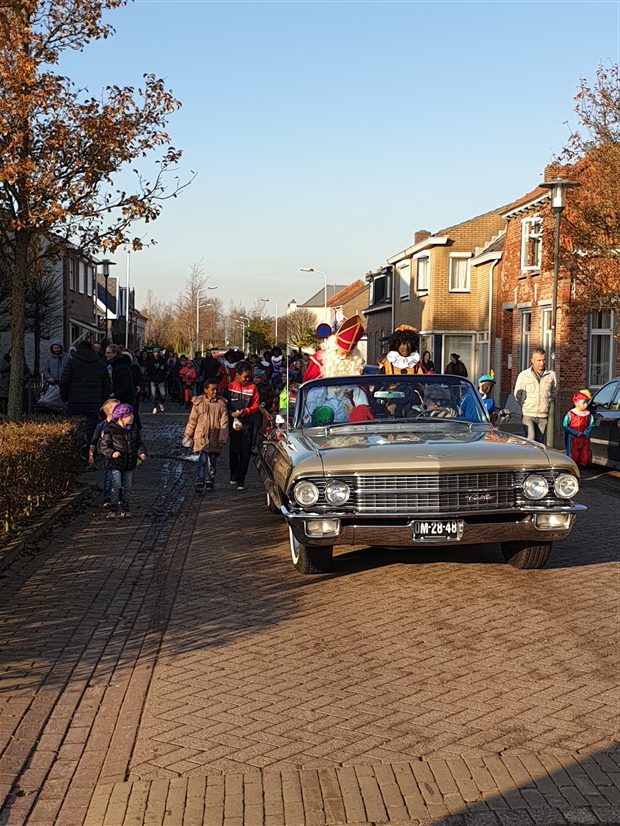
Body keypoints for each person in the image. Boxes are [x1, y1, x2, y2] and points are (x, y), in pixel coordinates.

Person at [99, 403, 147, 518]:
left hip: (129, 463)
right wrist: (112, 453)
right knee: (116, 485)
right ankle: (113, 508)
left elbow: (139, 443)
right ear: (121, 417)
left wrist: (141, 452)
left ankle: (125, 509)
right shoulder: (110, 429)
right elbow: (104, 447)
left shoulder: (133, 429)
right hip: (115, 463)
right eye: (129, 415)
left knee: (127, 486)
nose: (132, 417)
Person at [60, 340, 111, 446]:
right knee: (92, 430)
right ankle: (90, 451)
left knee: (74, 428)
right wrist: (103, 399)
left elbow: (64, 382)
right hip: (93, 401)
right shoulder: (99, 364)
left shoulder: (72, 363)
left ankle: (75, 449)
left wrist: (64, 397)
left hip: (75, 401)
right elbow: (107, 384)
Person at [182, 379, 229, 493]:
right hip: (201, 437)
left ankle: (210, 479)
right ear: (206, 390)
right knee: (202, 460)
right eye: (212, 389)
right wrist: (188, 434)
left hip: (215, 437)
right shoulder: (198, 403)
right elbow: (192, 420)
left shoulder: (221, 404)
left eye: (216, 389)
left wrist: (222, 439)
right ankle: (200, 479)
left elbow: (224, 423)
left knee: (212, 461)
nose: (215, 392)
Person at [225, 360, 260, 491]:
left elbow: (256, 405)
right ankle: (233, 473)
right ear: (237, 375)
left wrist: (244, 412)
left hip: (247, 423)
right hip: (233, 423)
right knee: (234, 451)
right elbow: (224, 404)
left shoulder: (253, 387)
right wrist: (231, 413)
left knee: (245, 452)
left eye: (249, 377)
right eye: (245, 377)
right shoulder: (229, 387)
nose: (247, 379)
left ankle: (241, 479)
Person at [514, 348, 557, 443]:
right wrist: (524, 404)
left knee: (539, 442)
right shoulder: (524, 375)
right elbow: (517, 394)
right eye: (539, 360)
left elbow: (554, 392)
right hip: (528, 414)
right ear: (532, 360)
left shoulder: (551, 375)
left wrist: (547, 402)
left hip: (543, 415)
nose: (542, 363)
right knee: (531, 438)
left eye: (544, 360)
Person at [88, 398, 120, 508]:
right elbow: (94, 440)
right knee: (108, 476)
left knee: (118, 477)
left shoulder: (120, 424)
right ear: (109, 411)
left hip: (118, 455)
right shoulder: (101, 425)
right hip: (105, 455)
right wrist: (91, 455)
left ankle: (117, 497)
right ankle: (107, 498)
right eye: (117, 408)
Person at [563, 390, 594, 468]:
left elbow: (591, 424)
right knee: (574, 454)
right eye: (583, 402)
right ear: (576, 403)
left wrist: (586, 433)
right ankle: (574, 466)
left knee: (585, 454)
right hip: (573, 438)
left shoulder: (588, 414)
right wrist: (575, 433)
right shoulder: (571, 413)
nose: (585, 404)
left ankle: (583, 465)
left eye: (586, 402)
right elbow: (565, 425)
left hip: (584, 438)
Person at [105, 344, 137, 408]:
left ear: (115, 353)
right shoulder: (113, 365)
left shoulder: (121, 366)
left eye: (108, 353)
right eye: (106, 353)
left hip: (124, 399)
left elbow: (125, 384)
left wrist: (115, 393)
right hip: (118, 397)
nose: (106, 355)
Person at [146, 348, 168, 414]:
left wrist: (164, 376)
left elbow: (166, 369)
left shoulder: (162, 361)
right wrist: (150, 377)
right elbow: (148, 370)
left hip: (161, 380)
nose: (156, 354)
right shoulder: (150, 361)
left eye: (157, 352)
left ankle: (161, 402)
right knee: (153, 394)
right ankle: (154, 406)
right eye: (155, 352)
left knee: (163, 393)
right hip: (153, 379)